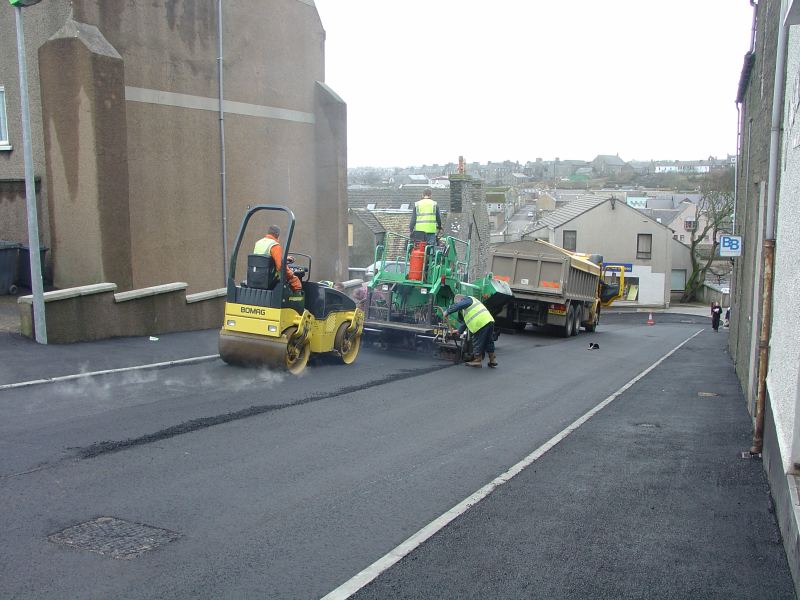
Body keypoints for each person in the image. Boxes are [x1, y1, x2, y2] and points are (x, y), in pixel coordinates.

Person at [444, 294, 497, 368]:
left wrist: (447, 311)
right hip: (489, 321)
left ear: (460, 300)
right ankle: (492, 360)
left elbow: (459, 305)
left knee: (477, 341)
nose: (458, 306)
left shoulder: (468, 299)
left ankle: (477, 361)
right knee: (489, 341)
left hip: (480, 323)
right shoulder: (469, 307)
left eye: (457, 303)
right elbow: (465, 322)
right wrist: (459, 331)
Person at [253, 225, 302, 292]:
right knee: (296, 282)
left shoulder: (258, 243)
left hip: (257, 277)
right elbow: (281, 267)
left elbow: (264, 258)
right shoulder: (274, 245)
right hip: (271, 279)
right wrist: (292, 276)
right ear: (277, 235)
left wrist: (285, 258)